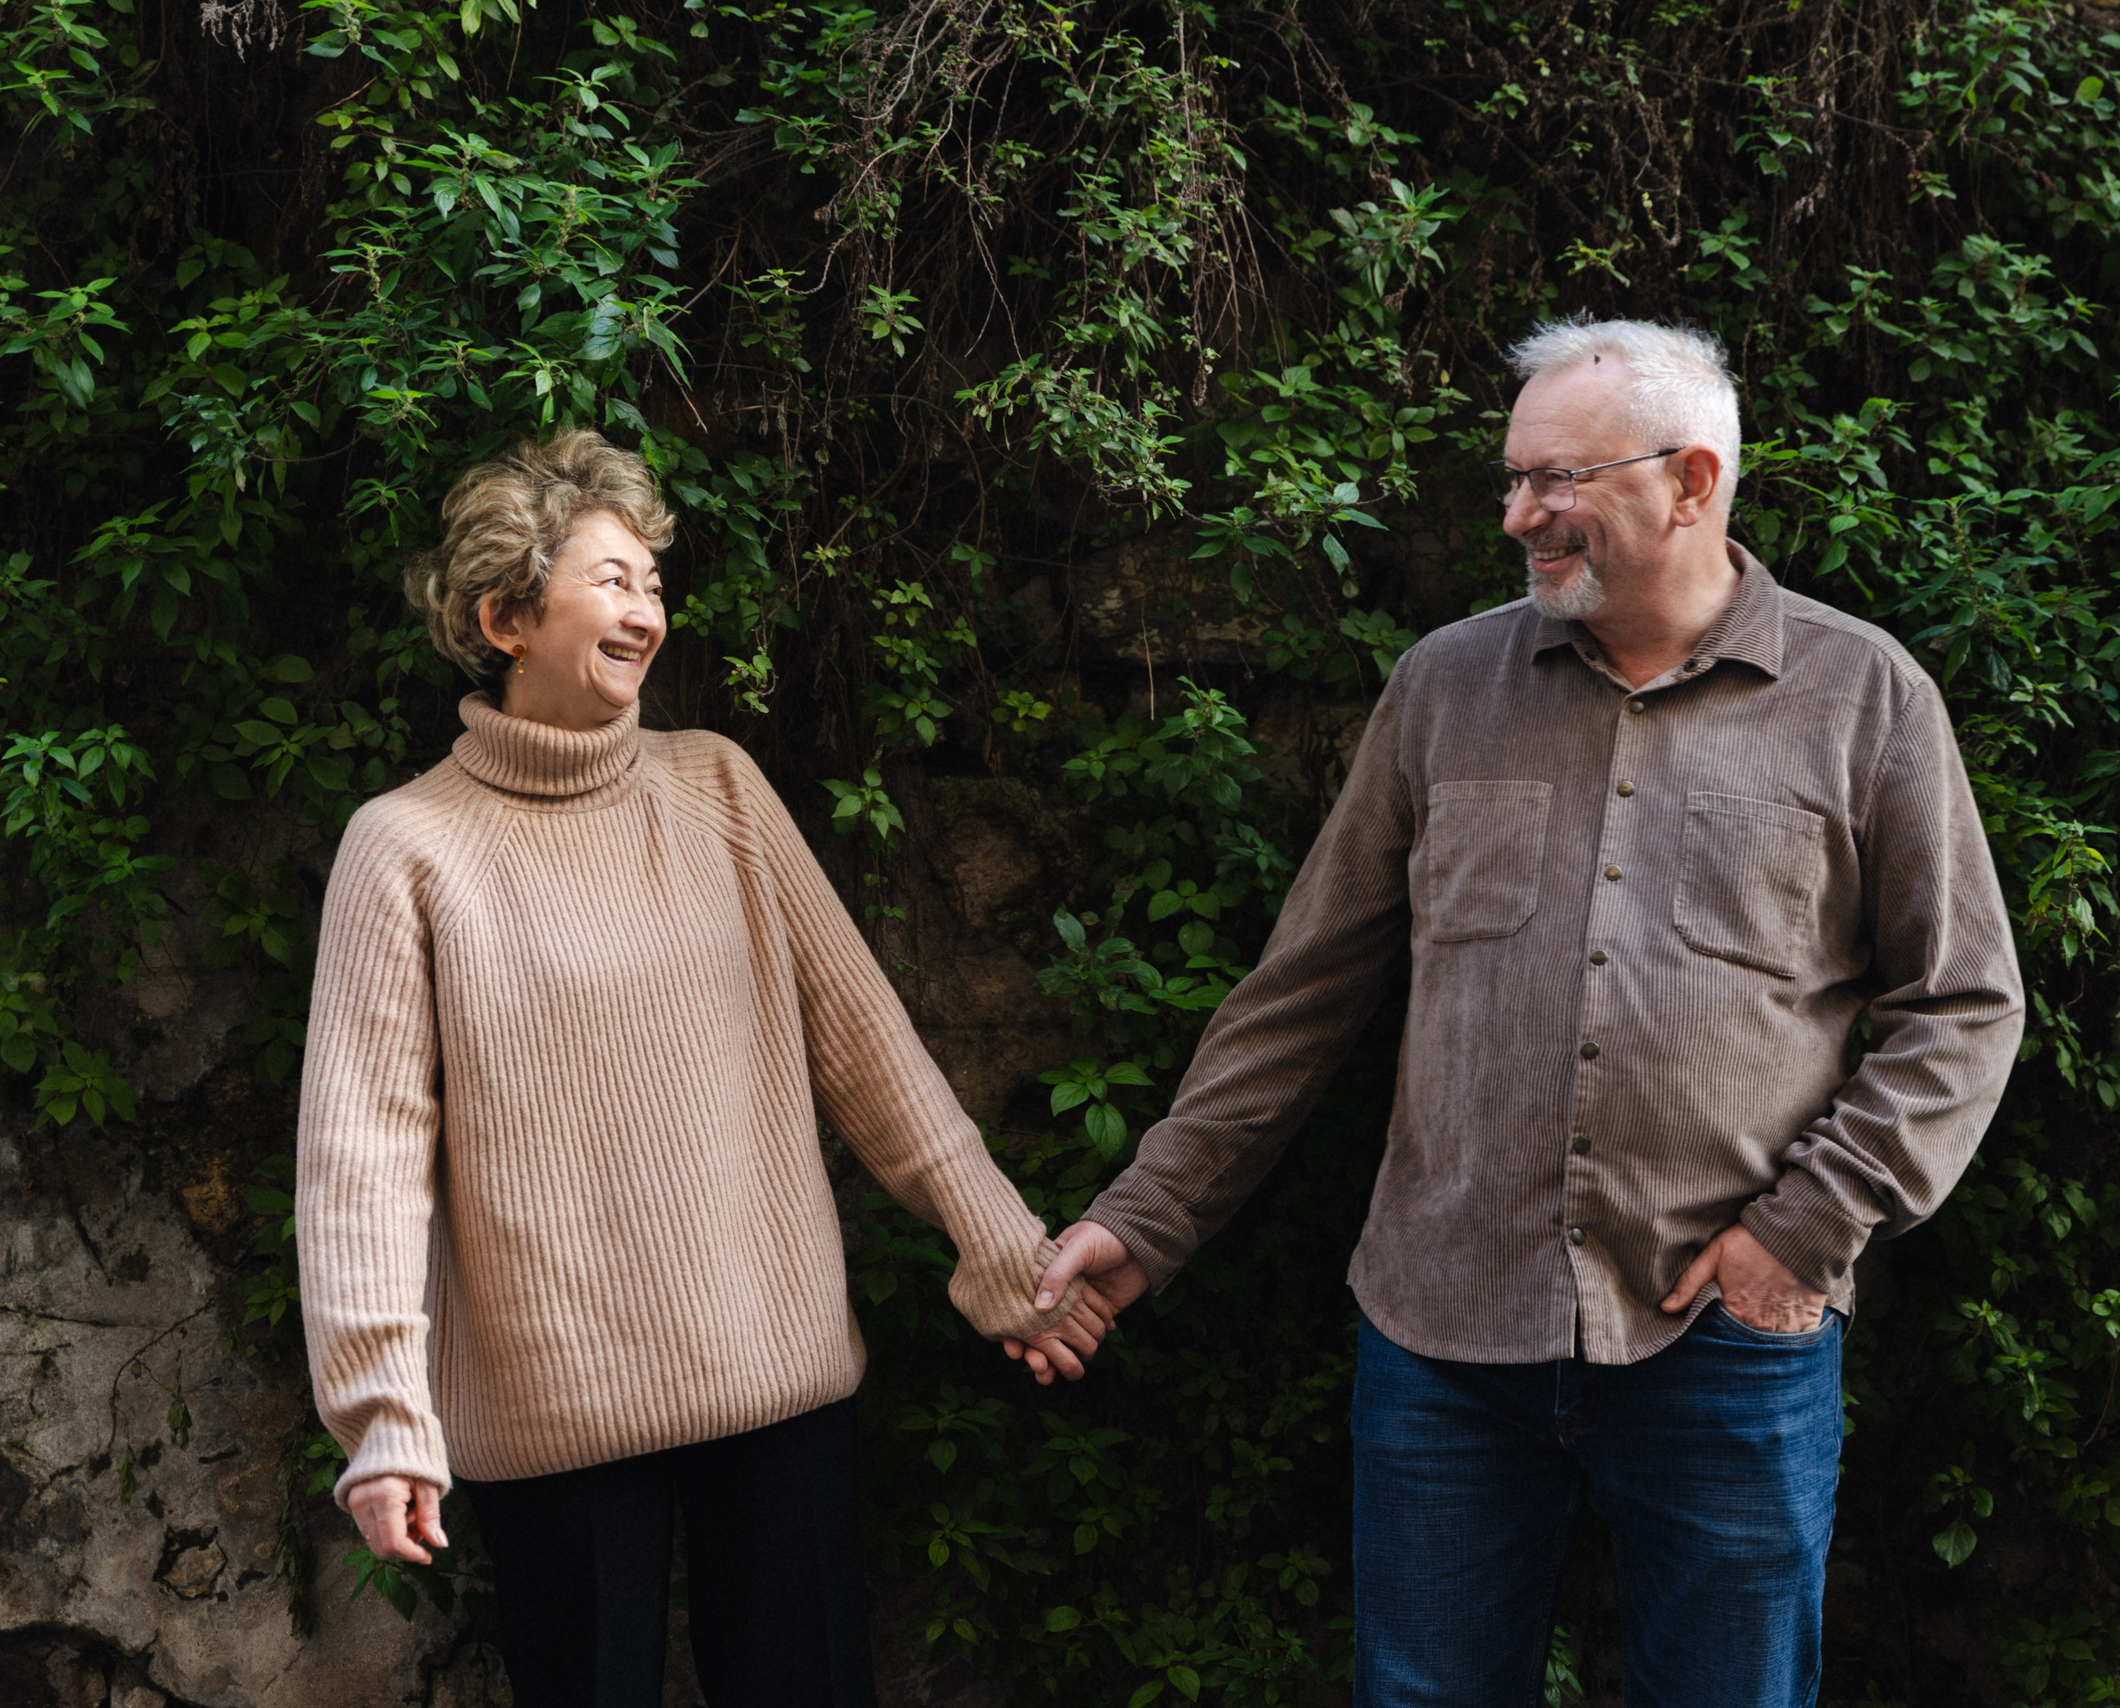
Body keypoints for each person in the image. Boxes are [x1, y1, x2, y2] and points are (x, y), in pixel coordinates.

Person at [1013, 317, 2026, 1706]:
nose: (1517, 515)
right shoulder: (1444, 687)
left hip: (1722, 1341)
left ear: (1693, 480)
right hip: (1444, 1334)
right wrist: (1150, 1215)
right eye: (1513, 478)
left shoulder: (1864, 697)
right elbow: (1302, 992)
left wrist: (1801, 1234)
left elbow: (1962, 1002)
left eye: (1558, 479)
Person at [296, 429, 1108, 1708]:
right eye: (611, 580)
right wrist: (383, 1414)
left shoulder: (720, 786)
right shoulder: (405, 849)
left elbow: (868, 1047)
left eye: (654, 585)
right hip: (553, 1407)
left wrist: (1002, 1248)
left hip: (775, 1372)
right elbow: (363, 1161)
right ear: (506, 618)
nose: (646, 612)